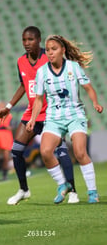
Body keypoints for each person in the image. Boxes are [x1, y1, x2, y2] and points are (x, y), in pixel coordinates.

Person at [0, 26, 78, 205]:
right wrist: (9, 106)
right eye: (24, 40)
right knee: (16, 150)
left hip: (52, 113)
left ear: (39, 40)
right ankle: (23, 190)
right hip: (32, 112)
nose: (27, 43)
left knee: (61, 151)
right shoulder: (21, 61)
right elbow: (24, 85)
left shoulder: (49, 57)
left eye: (30, 39)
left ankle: (72, 191)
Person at [26, 34, 103, 203]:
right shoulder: (42, 72)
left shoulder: (73, 67)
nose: (50, 53)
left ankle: (92, 192)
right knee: (45, 152)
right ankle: (63, 184)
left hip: (75, 115)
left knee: (80, 152)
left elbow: (88, 88)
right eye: (48, 50)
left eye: (54, 49)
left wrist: (95, 102)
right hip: (54, 118)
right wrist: (32, 119)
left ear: (63, 50)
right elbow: (38, 99)